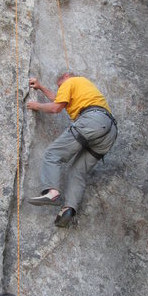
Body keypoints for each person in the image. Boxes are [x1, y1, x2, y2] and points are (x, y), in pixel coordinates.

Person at [27, 72, 117, 227]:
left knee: (53, 154)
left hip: (92, 121)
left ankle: (52, 192)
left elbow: (56, 107)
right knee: (77, 172)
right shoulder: (84, 89)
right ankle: (68, 210)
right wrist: (40, 87)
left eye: (60, 86)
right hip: (109, 131)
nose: (60, 89)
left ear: (66, 77)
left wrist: (36, 106)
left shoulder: (70, 81)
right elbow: (59, 99)